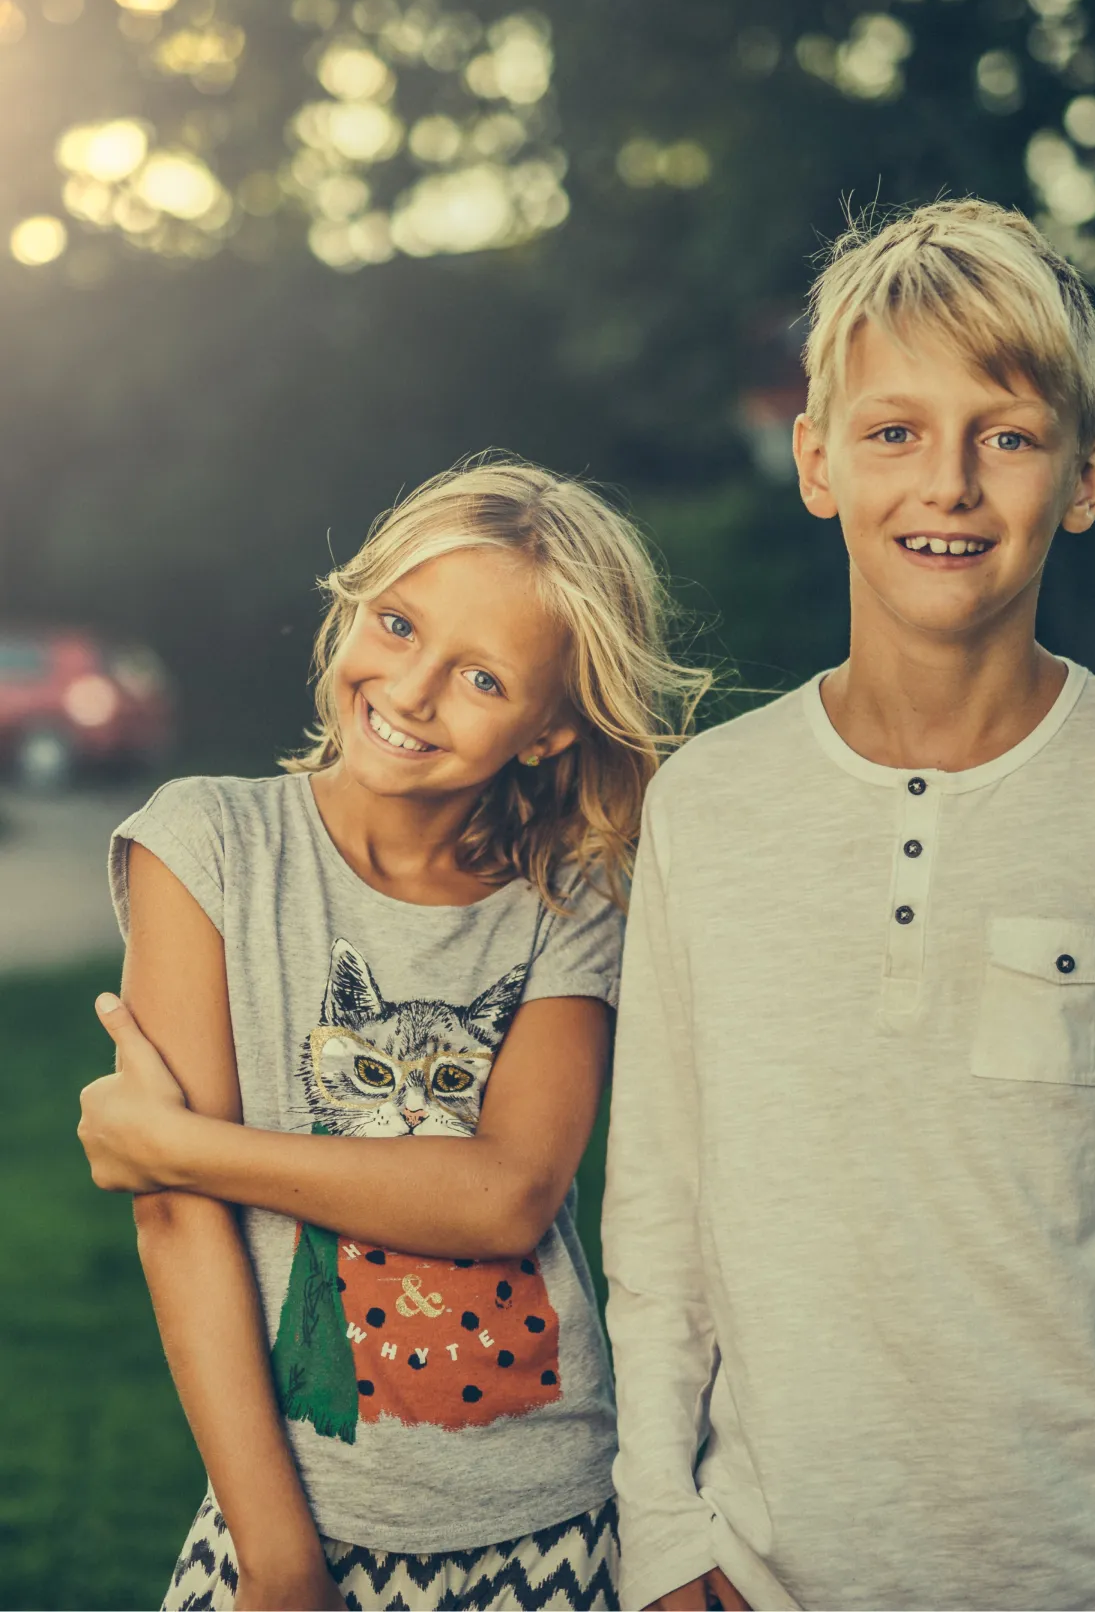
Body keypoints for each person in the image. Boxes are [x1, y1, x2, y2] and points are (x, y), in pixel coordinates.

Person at [601, 200, 1095, 1612]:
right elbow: (660, 1207)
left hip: (1087, 1578)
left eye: (1011, 434)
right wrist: (667, 1534)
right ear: (817, 461)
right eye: (895, 432)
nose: (952, 484)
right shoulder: (710, 807)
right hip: (762, 1573)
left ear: (1086, 477)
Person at [77, 458, 708, 1612]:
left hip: (550, 1517)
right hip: (286, 1529)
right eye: (398, 624)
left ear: (549, 727)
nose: (411, 690)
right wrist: (276, 1558)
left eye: (480, 675)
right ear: (351, 607)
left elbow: (506, 1193)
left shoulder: (570, 900)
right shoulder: (206, 843)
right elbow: (178, 1224)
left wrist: (174, 1142)